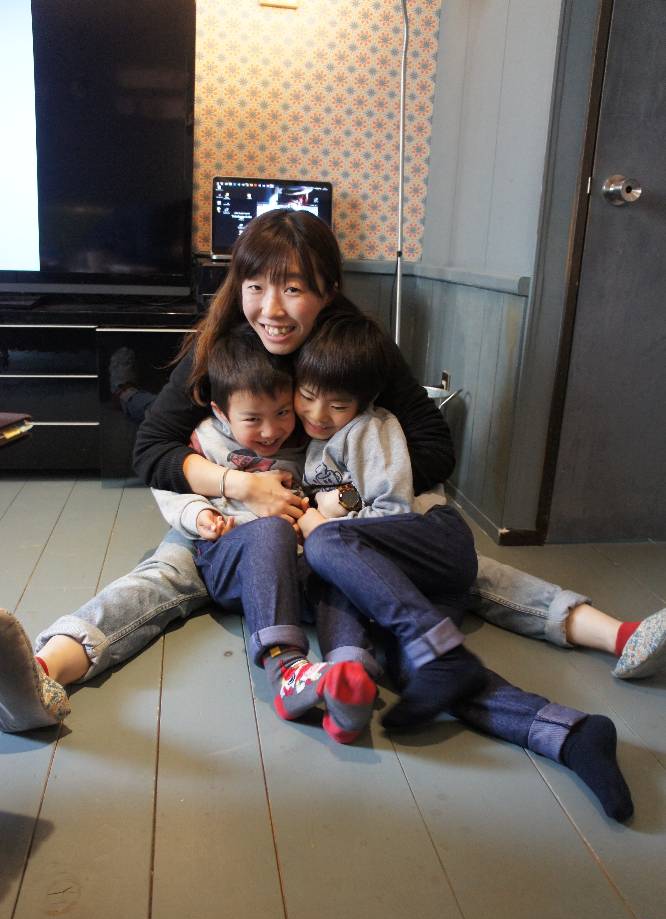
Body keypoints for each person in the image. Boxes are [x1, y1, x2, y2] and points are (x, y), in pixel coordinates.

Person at [0, 208, 662, 739]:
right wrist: (240, 486)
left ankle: (619, 634)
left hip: (345, 517)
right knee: (161, 575)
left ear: (328, 290)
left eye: (293, 288)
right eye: (256, 286)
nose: (272, 308)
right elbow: (152, 449)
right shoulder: (222, 348)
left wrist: (346, 494)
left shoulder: (353, 350)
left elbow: (433, 448)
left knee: (463, 559)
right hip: (236, 515)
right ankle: (40, 672)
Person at [284, 310, 633, 821]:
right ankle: (567, 732)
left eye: (337, 404)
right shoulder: (315, 444)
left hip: (433, 541)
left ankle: (435, 651)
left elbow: (392, 510)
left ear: (364, 400)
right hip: (412, 589)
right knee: (411, 667)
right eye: (308, 396)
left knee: (327, 547)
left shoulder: (371, 428)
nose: (318, 412)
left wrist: (324, 520)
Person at [152, 324, 377, 743]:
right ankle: (286, 668)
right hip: (230, 562)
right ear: (222, 412)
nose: (271, 431)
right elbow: (169, 488)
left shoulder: (308, 441)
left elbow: (338, 490)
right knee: (270, 530)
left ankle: (350, 674)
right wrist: (199, 516)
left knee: (335, 554)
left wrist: (332, 508)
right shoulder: (205, 440)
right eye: (252, 419)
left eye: (282, 413)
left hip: (297, 569)